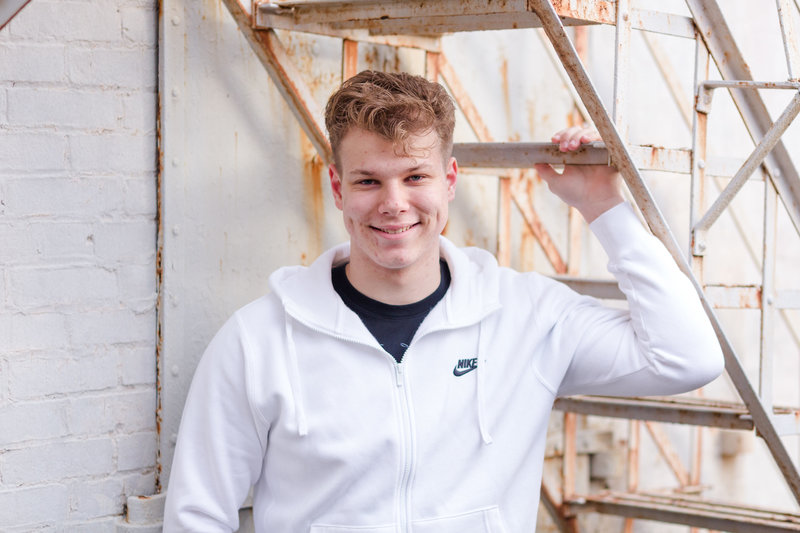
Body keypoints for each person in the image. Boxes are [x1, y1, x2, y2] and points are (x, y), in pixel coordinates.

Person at [163, 70, 723, 532]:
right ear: (336, 187)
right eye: (368, 182)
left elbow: (687, 357)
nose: (394, 203)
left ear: (449, 180)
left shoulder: (525, 317)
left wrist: (605, 209)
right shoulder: (258, 340)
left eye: (415, 176)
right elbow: (197, 516)